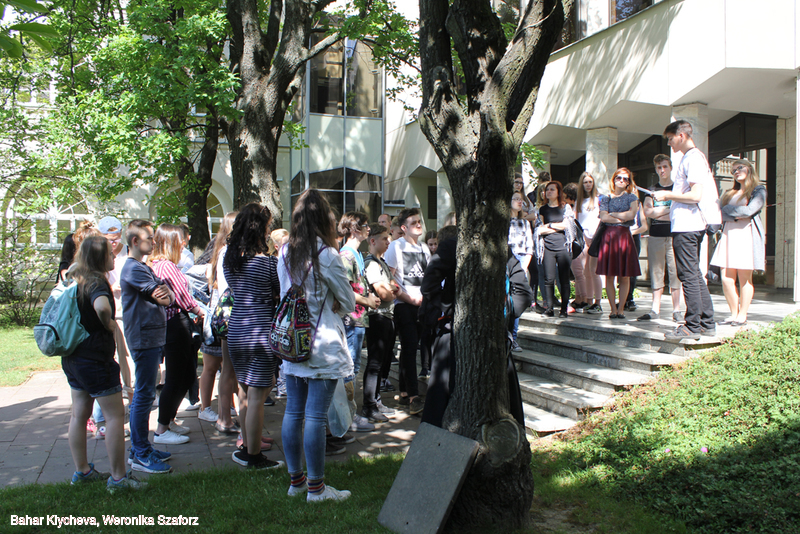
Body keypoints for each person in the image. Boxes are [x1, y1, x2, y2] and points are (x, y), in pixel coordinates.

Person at [278, 188, 356, 502]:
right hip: (322, 344)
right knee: (314, 417)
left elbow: (286, 292)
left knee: (293, 412)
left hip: (293, 342)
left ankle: (296, 482)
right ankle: (316, 489)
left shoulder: (285, 251)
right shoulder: (327, 255)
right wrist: (336, 299)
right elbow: (348, 301)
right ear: (325, 218)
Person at [62, 236, 145, 493]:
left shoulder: (75, 279)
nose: (114, 256)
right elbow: (101, 307)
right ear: (100, 258)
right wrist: (108, 322)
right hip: (96, 360)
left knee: (79, 414)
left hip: (73, 357)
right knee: (114, 417)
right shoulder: (97, 282)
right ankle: (119, 479)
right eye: (110, 253)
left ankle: (82, 471)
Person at [223, 204, 284, 469]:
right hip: (260, 331)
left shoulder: (230, 260)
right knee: (258, 395)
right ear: (261, 228)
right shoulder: (268, 263)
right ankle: (254, 456)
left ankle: (247, 446)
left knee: (246, 392)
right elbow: (280, 291)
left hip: (237, 328)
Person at [654, 120, 721, 340]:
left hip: (688, 227)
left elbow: (695, 195)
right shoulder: (691, 157)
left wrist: (667, 195)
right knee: (693, 274)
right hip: (688, 225)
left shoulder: (693, 158)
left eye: (670, 139)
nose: (669, 143)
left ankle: (692, 326)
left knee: (688, 275)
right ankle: (706, 322)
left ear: (681, 136)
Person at [120, 220, 175, 474]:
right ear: (135, 241)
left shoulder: (143, 267)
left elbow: (169, 295)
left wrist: (167, 293)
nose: (154, 242)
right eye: (150, 238)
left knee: (145, 393)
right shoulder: (133, 269)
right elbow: (165, 299)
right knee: (143, 395)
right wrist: (166, 294)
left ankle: (141, 448)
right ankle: (140, 452)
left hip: (151, 337)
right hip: (144, 339)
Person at [149, 224, 205, 445]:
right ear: (170, 243)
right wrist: (198, 310)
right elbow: (181, 296)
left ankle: (168, 420)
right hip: (174, 325)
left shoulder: (161, 265)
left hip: (175, 324)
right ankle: (162, 429)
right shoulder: (166, 266)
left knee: (186, 375)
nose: (183, 245)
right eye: (179, 241)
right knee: (177, 377)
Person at [384, 207, 430, 415]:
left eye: (419, 221)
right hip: (404, 305)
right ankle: (413, 397)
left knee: (410, 349)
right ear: (403, 228)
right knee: (410, 347)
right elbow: (390, 279)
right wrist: (408, 298)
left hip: (422, 306)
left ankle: (404, 391)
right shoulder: (396, 246)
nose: (418, 225)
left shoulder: (424, 248)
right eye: (413, 223)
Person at [338, 212, 381, 432]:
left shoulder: (356, 254)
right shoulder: (347, 255)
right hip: (351, 319)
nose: (368, 229)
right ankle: (348, 417)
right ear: (354, 229)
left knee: (353, 366)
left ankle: (349, 414)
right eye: (365, 225)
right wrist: (368, 301)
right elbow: (345, 289)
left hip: (358, 318)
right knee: (349, 368)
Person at [710, 159, 766, 326]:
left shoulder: (758, 190)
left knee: (744, 278)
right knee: (726, 278)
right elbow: (718, 214)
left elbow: (749, 211)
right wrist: (733, 214)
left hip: (745, 236)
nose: (736, 172)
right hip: (728, 236)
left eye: (739, 168)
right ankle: (733, 313)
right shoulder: (729, 193)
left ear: (749, 169)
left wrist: (728, 211)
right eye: (733, 170)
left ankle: (742, 315)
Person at [362, 223, 400, 422]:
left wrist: (390, 289)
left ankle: (376, 401)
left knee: (383, 362)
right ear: (373, 240)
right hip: (377, 317)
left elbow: (395, 288)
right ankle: (369, 406)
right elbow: (385, 293)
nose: (388, 242)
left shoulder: (382, 263)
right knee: (375, 363)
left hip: (387, 316)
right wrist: (389, 289)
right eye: (384, 239)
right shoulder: (371, 264)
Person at [639, 155, 683, 322]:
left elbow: (678, 212)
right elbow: (648, 212)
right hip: (656, 235)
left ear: (670, 167)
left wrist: (659, 212)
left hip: (674, 235)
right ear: (656, 169)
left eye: (665, 166)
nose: (662, 170)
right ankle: (655, 309)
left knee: (675, 271)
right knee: (656, 271)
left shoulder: (677, 189)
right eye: (659, 167)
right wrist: (669, 210)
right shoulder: (651, 190)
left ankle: (677, 310)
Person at [597, 168, 641, 319]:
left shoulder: (632, 197)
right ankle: (612, 309)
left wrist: (614, 214)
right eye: (619, 178)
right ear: (614, 179)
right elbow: (603, 217)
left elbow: (632, 215)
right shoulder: (606, 198)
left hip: (624, 237)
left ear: (628, 182)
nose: (622, 181)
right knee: (610, 275)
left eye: (625, 179)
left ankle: (621, 309)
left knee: (625, 275)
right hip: (609, 237)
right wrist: (622, 218)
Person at [536, 181, 575, 318]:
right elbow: (539, 229)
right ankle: (549, 308)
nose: (549, 192)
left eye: (552, 189)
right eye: (547, 190)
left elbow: (566, 226)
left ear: (558, 192)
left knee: (564, 279)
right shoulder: (542, 209)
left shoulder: (565, 207)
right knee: (548, 279)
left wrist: (550, 225)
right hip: (547, 246)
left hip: (563, 246)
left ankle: (564, 309)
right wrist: (556, 226)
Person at [574, 172, 603, 314]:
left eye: (590, 182)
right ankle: (589, 301)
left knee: (594, 271)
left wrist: (595, 237)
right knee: (586, 272)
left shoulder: (599, 200)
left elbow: (601, 220)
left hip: (596, 238)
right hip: (583, 238)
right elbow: (576, 221)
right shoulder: (578, 202)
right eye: (585, 182)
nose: (588, 185)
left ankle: (598, 302)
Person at [509, 191, 534, 345]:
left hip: (521, 259)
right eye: (516, 199)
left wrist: (524, 266)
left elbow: (530, 247)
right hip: (508, 260)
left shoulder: (524, 223)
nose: (520, 202)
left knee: (517, 299)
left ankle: (514, 338)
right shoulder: (504, 222)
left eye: (521, 200)